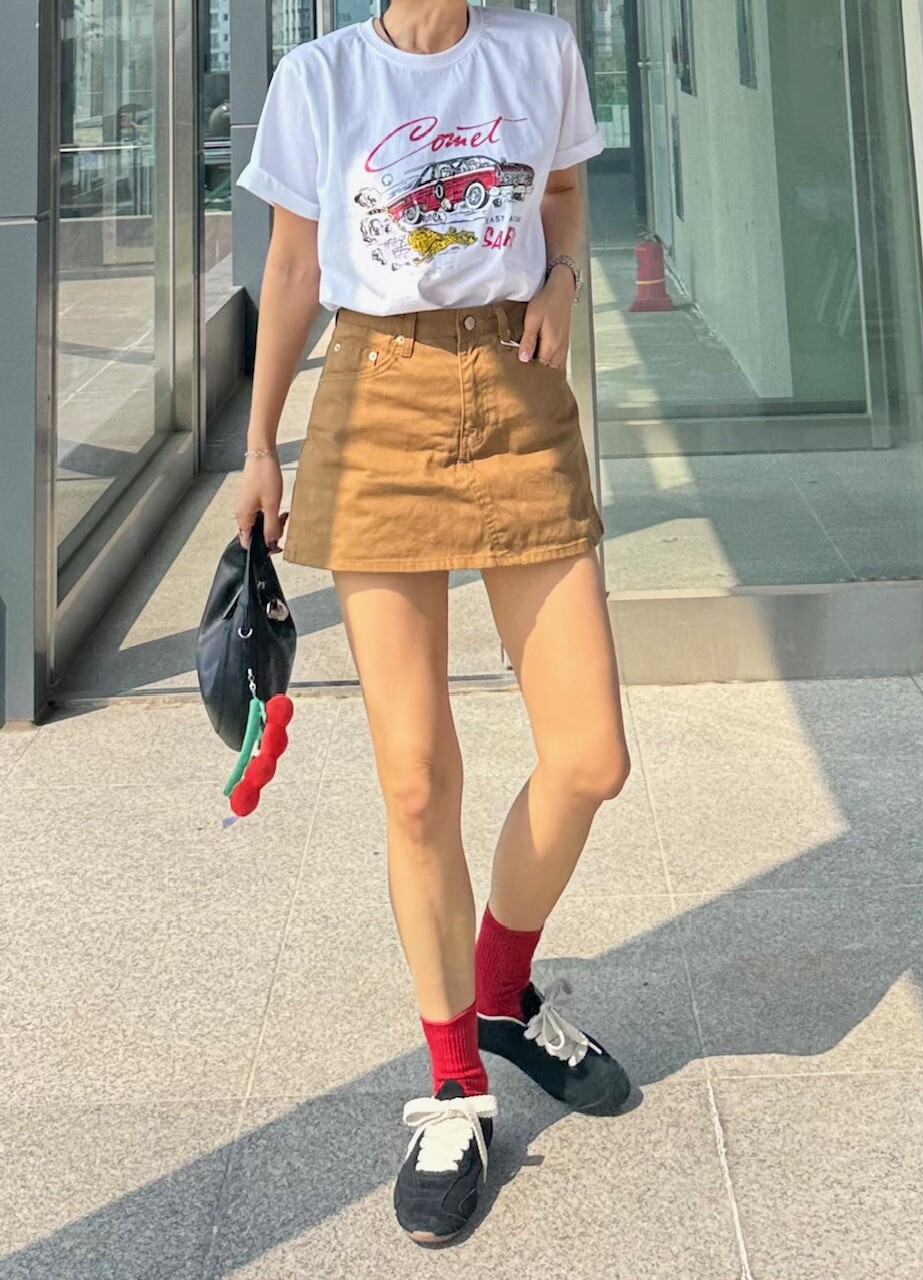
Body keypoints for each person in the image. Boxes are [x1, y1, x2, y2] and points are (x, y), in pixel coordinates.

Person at [234, 0, 632, 1246]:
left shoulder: (539, 50)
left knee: (591, 755)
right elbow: (292, 269)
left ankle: (502, 987)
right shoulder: (320, 76)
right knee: (415, 780)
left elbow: (561, 195)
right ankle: (455, 1080)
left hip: (517, 389)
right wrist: (259, 443)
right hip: (377, 398)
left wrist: (561, 275)